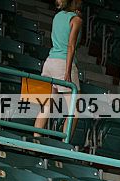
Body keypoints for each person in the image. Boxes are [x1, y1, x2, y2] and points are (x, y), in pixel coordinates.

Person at [34, 0, 83, 139]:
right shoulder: (76, 20)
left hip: (50, 62)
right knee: (75, 110)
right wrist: (67, 72)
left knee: (47, 105)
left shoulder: (58, 16)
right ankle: (64, 144)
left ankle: (35, 140)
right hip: (63, 64)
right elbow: (71, 46)